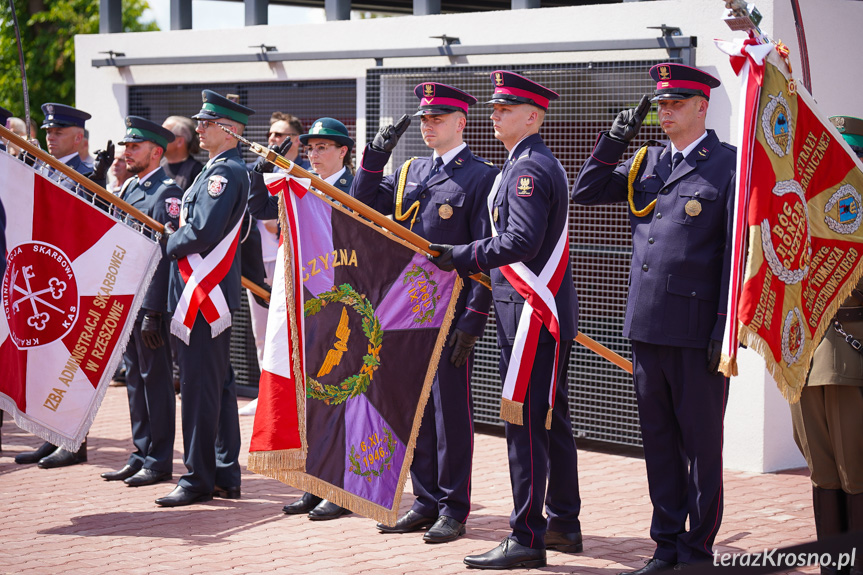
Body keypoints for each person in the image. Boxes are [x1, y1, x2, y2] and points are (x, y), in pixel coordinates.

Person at [572, 63, 735, 573]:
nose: (665, 112)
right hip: (646, 327)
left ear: (702, 107)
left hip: (696, 334)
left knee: (702, 449)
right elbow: (586, 189)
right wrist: (615, 137)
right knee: (660, 445)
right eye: (661, 105)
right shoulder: (646, 160)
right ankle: (666, 545)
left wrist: (724, 331)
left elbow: (734, 256)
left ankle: (698, 548)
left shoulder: (728, 165)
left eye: (676, 104)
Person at [428, 71, 582, 569]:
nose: (494, 116)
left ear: (533, 116)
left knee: (527, 425)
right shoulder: (521, 163)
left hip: (531, 315)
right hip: (530, 311)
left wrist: (461, 255)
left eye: (504, 110)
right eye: (493, 109)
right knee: (549, 420)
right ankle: (563, 523)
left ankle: (527, 537)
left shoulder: (527, 169)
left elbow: (521, 243)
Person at [351, 82, 496, 544]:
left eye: (438, 118)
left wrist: (474, 317)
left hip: (451, 310)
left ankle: (454, 508)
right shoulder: (412, 168)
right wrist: (376, 154)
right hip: (406, 310)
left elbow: (484, 253)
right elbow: (362, 201)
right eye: (425, 119)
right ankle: (424, 499)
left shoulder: (481, 176)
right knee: (412, 410)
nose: (429, 125)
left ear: (461, 123)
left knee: (450, 414)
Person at [155, 90, 253, 507]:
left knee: (199, 389)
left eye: (207, 122)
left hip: (203, 296)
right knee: (217, 386)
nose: (199, 128)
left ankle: (198, 478)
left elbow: (202, 231)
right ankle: (223, 473)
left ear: (228, 131)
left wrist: (165, 241)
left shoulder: (224, 173)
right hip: (203, 293)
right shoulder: (219, 168)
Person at [262, 117, 357, 521]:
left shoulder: (359, 188)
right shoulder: (298, 185)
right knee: (309, 397)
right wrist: (261, 171)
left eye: (323, 148)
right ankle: (312, 482)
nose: (314, 155)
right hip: (304, 303)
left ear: (343, 152)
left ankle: (338, 488)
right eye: (311, 148)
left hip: (344, 308)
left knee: (336, 396)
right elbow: (260, 211)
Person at [789, 115, 863, 575]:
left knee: (856, 469)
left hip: (849, 355)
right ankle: (832, 566)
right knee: (822, 470)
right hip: (805, 357)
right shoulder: (803, 208)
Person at [14, 102, 101, 468]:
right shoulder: (41, 169)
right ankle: (48, 436)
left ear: (79, 137)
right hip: (42, 281)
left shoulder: (90, 176)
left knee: (71, 365)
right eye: (48, 132)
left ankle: (74, 440)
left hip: (72, 283)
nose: (50, 138)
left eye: (59, 132)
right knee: (45, 363)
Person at [99, 116, 181, 488]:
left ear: (156, 151)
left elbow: (164, 255)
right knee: (135, 378)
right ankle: (141, 451)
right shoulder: (131, 187)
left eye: (135, 146)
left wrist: (152, 310)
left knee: (156, 379)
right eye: (127, 146)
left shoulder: (166, 193)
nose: (127, 152)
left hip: (150, 306)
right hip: (126, 301)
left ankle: (160, 460)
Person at [162, 115, 204, 191]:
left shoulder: (196, 171)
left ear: (179, 141)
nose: (159, 138)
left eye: (164, 134)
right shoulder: (157, 166)